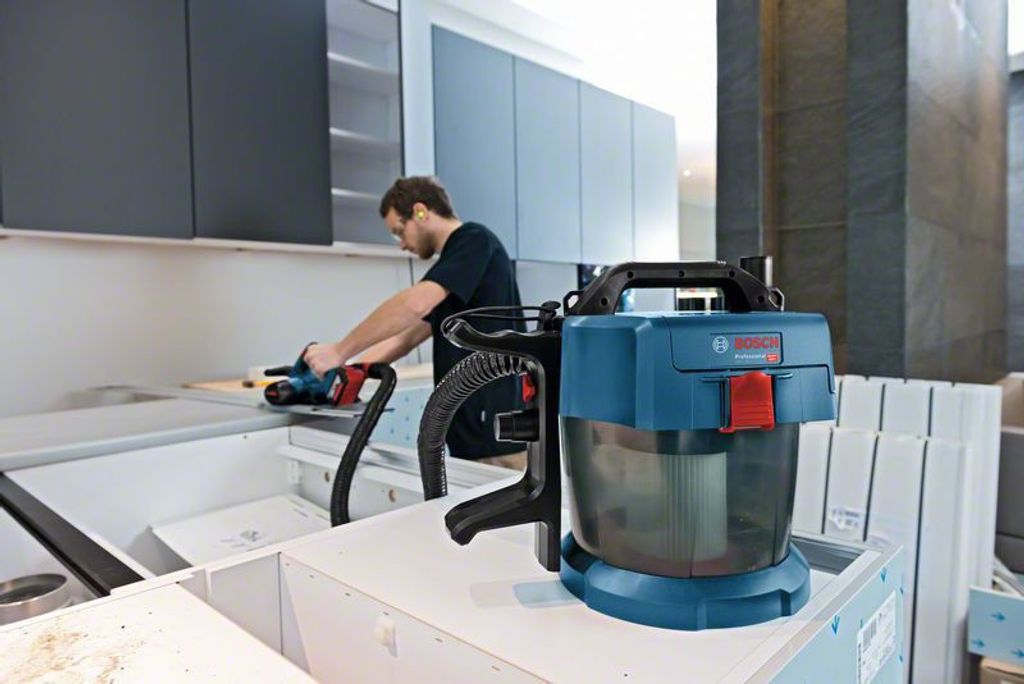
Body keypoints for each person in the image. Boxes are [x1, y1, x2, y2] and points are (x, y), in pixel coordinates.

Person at [304, 176, 526, 469]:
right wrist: (346, 372)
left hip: (493, 432)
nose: (402, 245)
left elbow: (414, 304)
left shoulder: (474, 239)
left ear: (420, 212)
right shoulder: (455, 271)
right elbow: (405, 338)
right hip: (470, 433)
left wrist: (339, 350)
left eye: (400, 231)